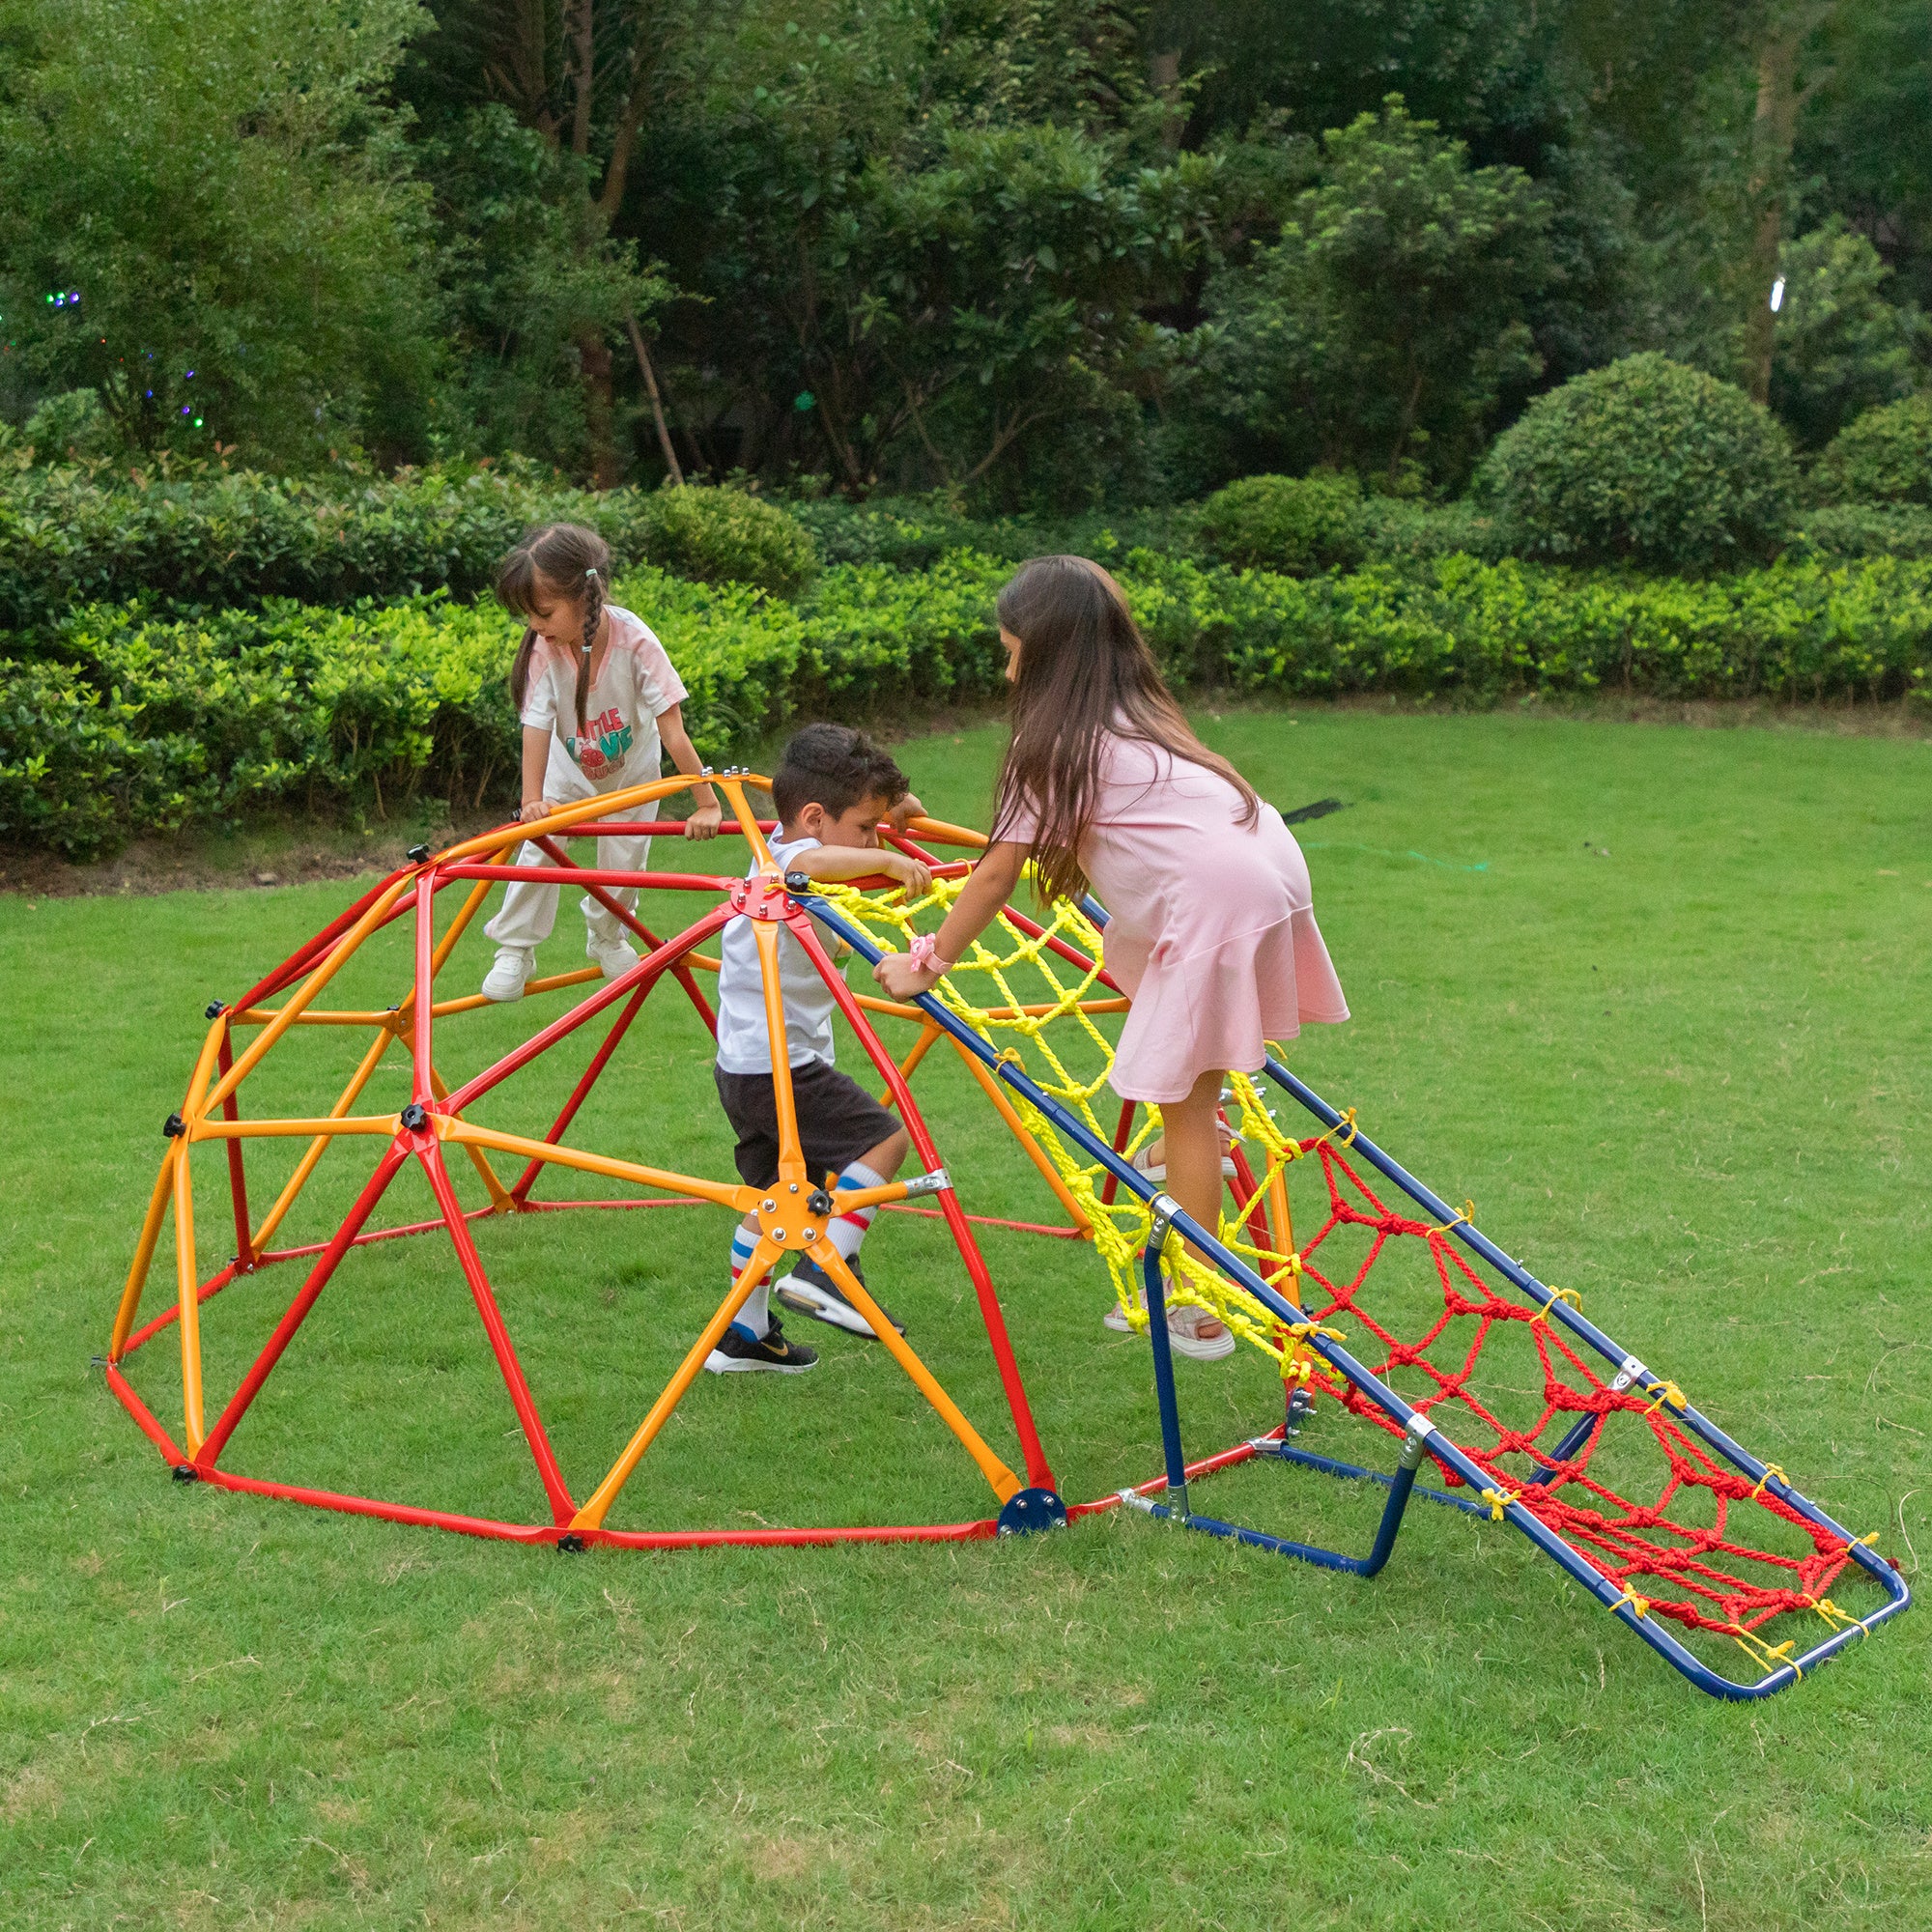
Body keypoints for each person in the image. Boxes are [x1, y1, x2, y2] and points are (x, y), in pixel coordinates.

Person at [875, 555, 1349, 1362]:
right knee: (1157, 1012)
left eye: (1011, 647)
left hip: (1216, 903)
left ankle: (1198, 1308)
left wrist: (930, 960)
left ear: (1044, 651)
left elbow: (997, 869)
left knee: (1185, 1104)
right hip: (1266, 870)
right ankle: (1190, 1154)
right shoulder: (1143, 714)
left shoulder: (1049, 743)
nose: (1006, 664)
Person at [706, 724, 932, 1374]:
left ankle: (743, 1336)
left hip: (745, 1067)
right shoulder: (784, 862)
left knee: (778, 1198)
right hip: (780, 1065)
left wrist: (894, 808)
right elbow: (810, 862)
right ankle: (829, 1271)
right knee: (885, 1141)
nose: (873, 843)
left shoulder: (784, 850)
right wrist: (888, 861)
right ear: (813, 818)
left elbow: (828, 854)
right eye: (865, 829)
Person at [479, 523, 722, 1002]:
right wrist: (531, 800)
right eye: (528, 615)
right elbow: (536, 724)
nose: (534, 626)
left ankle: (607, 937)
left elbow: (673, 729)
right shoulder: (545, 650)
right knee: (538, 843)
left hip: (632, 773)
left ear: (585, 597)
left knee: (625, 862)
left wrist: (706, 801)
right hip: (568, 774)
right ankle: (515, 948)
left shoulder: (635, 642)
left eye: (543, 613)